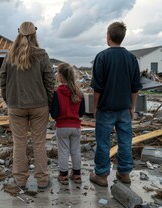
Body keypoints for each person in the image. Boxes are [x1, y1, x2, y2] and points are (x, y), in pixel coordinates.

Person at [0, 21, 55, 190]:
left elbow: (2, 79)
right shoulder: (42, 55)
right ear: (34, 33)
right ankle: (42, 180)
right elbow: (50, 81)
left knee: (19, 143)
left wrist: (9, 100)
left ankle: (20, 180)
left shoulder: (10, 55)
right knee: (39, 143)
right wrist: (49, 103)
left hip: (16, 106)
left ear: (18, 33)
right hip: (40, 105)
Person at [89, 21, 142, 187]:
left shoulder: (102, 57)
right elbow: (135, 87)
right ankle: (124, 173)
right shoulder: (131, 58)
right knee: (125, 141)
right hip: (124, 108)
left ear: (108, 36)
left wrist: (95, 107)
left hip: (106, 109)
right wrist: (132, 107)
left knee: (104, 143)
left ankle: (102, 175)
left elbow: (98, 87)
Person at [50, 63, 85, 185]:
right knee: (75, 150)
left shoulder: (57, 92)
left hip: (62, 126)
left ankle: (63, 175)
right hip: (76, 126)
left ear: (60, 76)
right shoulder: (78, 92)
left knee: (63, 151)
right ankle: (76, 174)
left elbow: (54, 113)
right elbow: (81, 112)